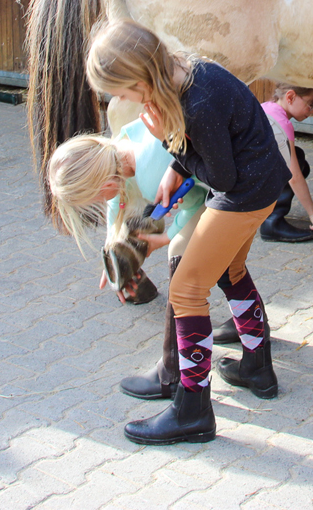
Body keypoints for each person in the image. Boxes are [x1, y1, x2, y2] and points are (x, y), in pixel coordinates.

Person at [80, 20, 290, 445]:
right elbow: (218, 145)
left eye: (121, 91)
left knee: (185, 290)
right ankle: (257, 367)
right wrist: (178, 168)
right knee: (229, 270)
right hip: (262, 183)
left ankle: (192, 409)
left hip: (244, 192)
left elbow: (222, 177)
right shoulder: (190, 74)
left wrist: (173, 146)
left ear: (141, 78)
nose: (120, 100)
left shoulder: (197, 101)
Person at [48, 107, 210, 403]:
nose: (98, 202)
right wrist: (113, 249)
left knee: (181, 257)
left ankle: (173, 373)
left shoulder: (149, 176)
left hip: (231, 191)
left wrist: (167, 237)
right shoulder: (122, 142)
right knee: (226, 266)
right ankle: (254, 347)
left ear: (102, 182)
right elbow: (118, 204)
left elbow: (195, 199)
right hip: (239, 177)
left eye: (92, 197)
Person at [258, 83, 313, 242]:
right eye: (311, 105)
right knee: (294, 164)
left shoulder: (267, 108)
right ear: (290, 97)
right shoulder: (281, 124)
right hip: (246, 180)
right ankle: (272, 222)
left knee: (297, 156)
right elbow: (293, 176)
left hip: (244, 172)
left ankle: (266, 213)